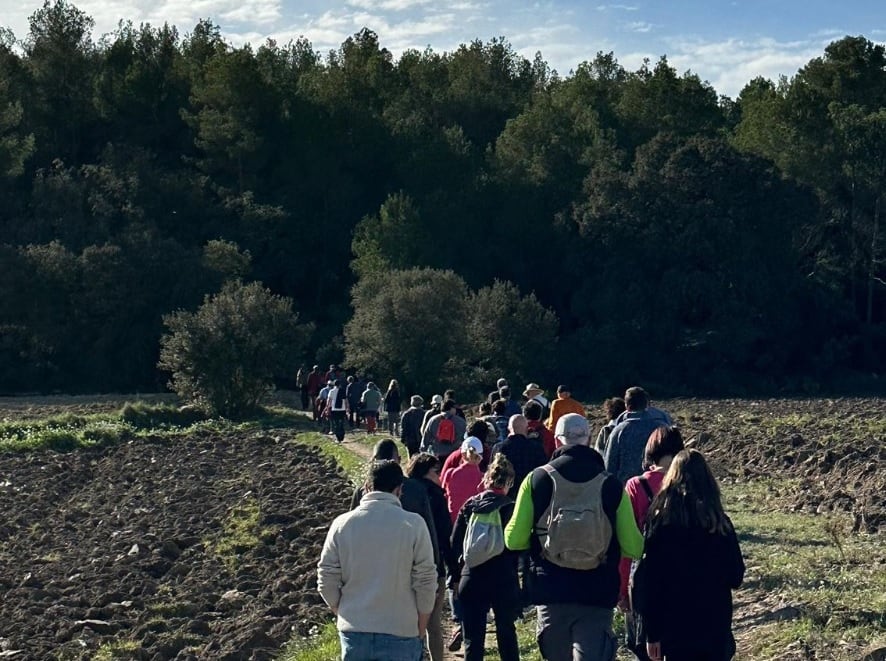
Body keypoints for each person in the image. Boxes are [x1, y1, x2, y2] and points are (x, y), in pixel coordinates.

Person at [504, 413, 644, 661]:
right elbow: (633, 547)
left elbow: (513, 540)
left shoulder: (536, 480)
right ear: (589, 439)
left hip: (551, 590)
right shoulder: (611, 485)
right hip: (597, 593)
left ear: (557, 441)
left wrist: (541, 543)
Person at [317, 460, 437, 661]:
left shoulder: (341, 525)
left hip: (354, 631)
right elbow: (426, 581)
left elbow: (326, 578)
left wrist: (342, 611)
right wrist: (420, 626)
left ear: (366, 487)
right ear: (399, 490)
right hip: (402, 630)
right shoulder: (414, 525)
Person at [633, 449, 745, 661]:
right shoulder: (719, 524)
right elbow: (736, 576)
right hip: (714, 626)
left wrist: (652, 633)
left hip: (675, 628)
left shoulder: (660, 525)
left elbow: (650, 582)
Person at [619, 426, 684, 661]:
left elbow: (627, 542)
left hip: (645, 580)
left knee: (643, 648)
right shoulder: (687, 484)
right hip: (682, 580)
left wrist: (623, 588)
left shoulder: (636, 486)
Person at [450, 453, 520, 661]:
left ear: (487, 479)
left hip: (472, 577)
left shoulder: (470, 506)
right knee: (507, 635)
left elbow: (454, 544)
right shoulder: (511, 508)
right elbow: (520, 546)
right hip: (504, 579)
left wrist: (454, 577)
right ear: (509, 482)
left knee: (473, 639)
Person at [407, 453, 459, 661]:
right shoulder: (436, 497)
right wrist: (454, 572)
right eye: (436, 472)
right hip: (433, 566)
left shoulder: (405, 494)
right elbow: (446, 538)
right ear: (426, 474)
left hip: (407, 566)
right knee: (432, 625)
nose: (440, 476)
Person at [604, 387, 667, 487]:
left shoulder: (618, 431)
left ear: (627, 406)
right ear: (647, 404)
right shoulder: (662, 429)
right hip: (658, 490)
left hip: (627, 492)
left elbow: (609, 466)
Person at [491, 414, 548, 499]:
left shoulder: (499, 448)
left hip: (505, 497)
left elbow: (492, 474)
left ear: (509, 428)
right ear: (526, 428)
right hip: (530, 494)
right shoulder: (536, 448)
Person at [441, 437, 484, 524]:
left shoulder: (451, 473)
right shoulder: (483, 479)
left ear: (462, 454)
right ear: (480, 457)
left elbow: (444, 496)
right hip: (473, 522)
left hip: (453, 521)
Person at [325, 378, 350, 443]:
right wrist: (347, 408)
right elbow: (346, 401)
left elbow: (329, 401)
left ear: (334, 385)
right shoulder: (343, 391)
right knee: (341, 423)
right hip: (342, 409)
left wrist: (327, 408)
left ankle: (338, 438)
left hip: (334, 409)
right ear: (340, 385)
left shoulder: (331, 391)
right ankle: (342, 436)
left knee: (336, 424)